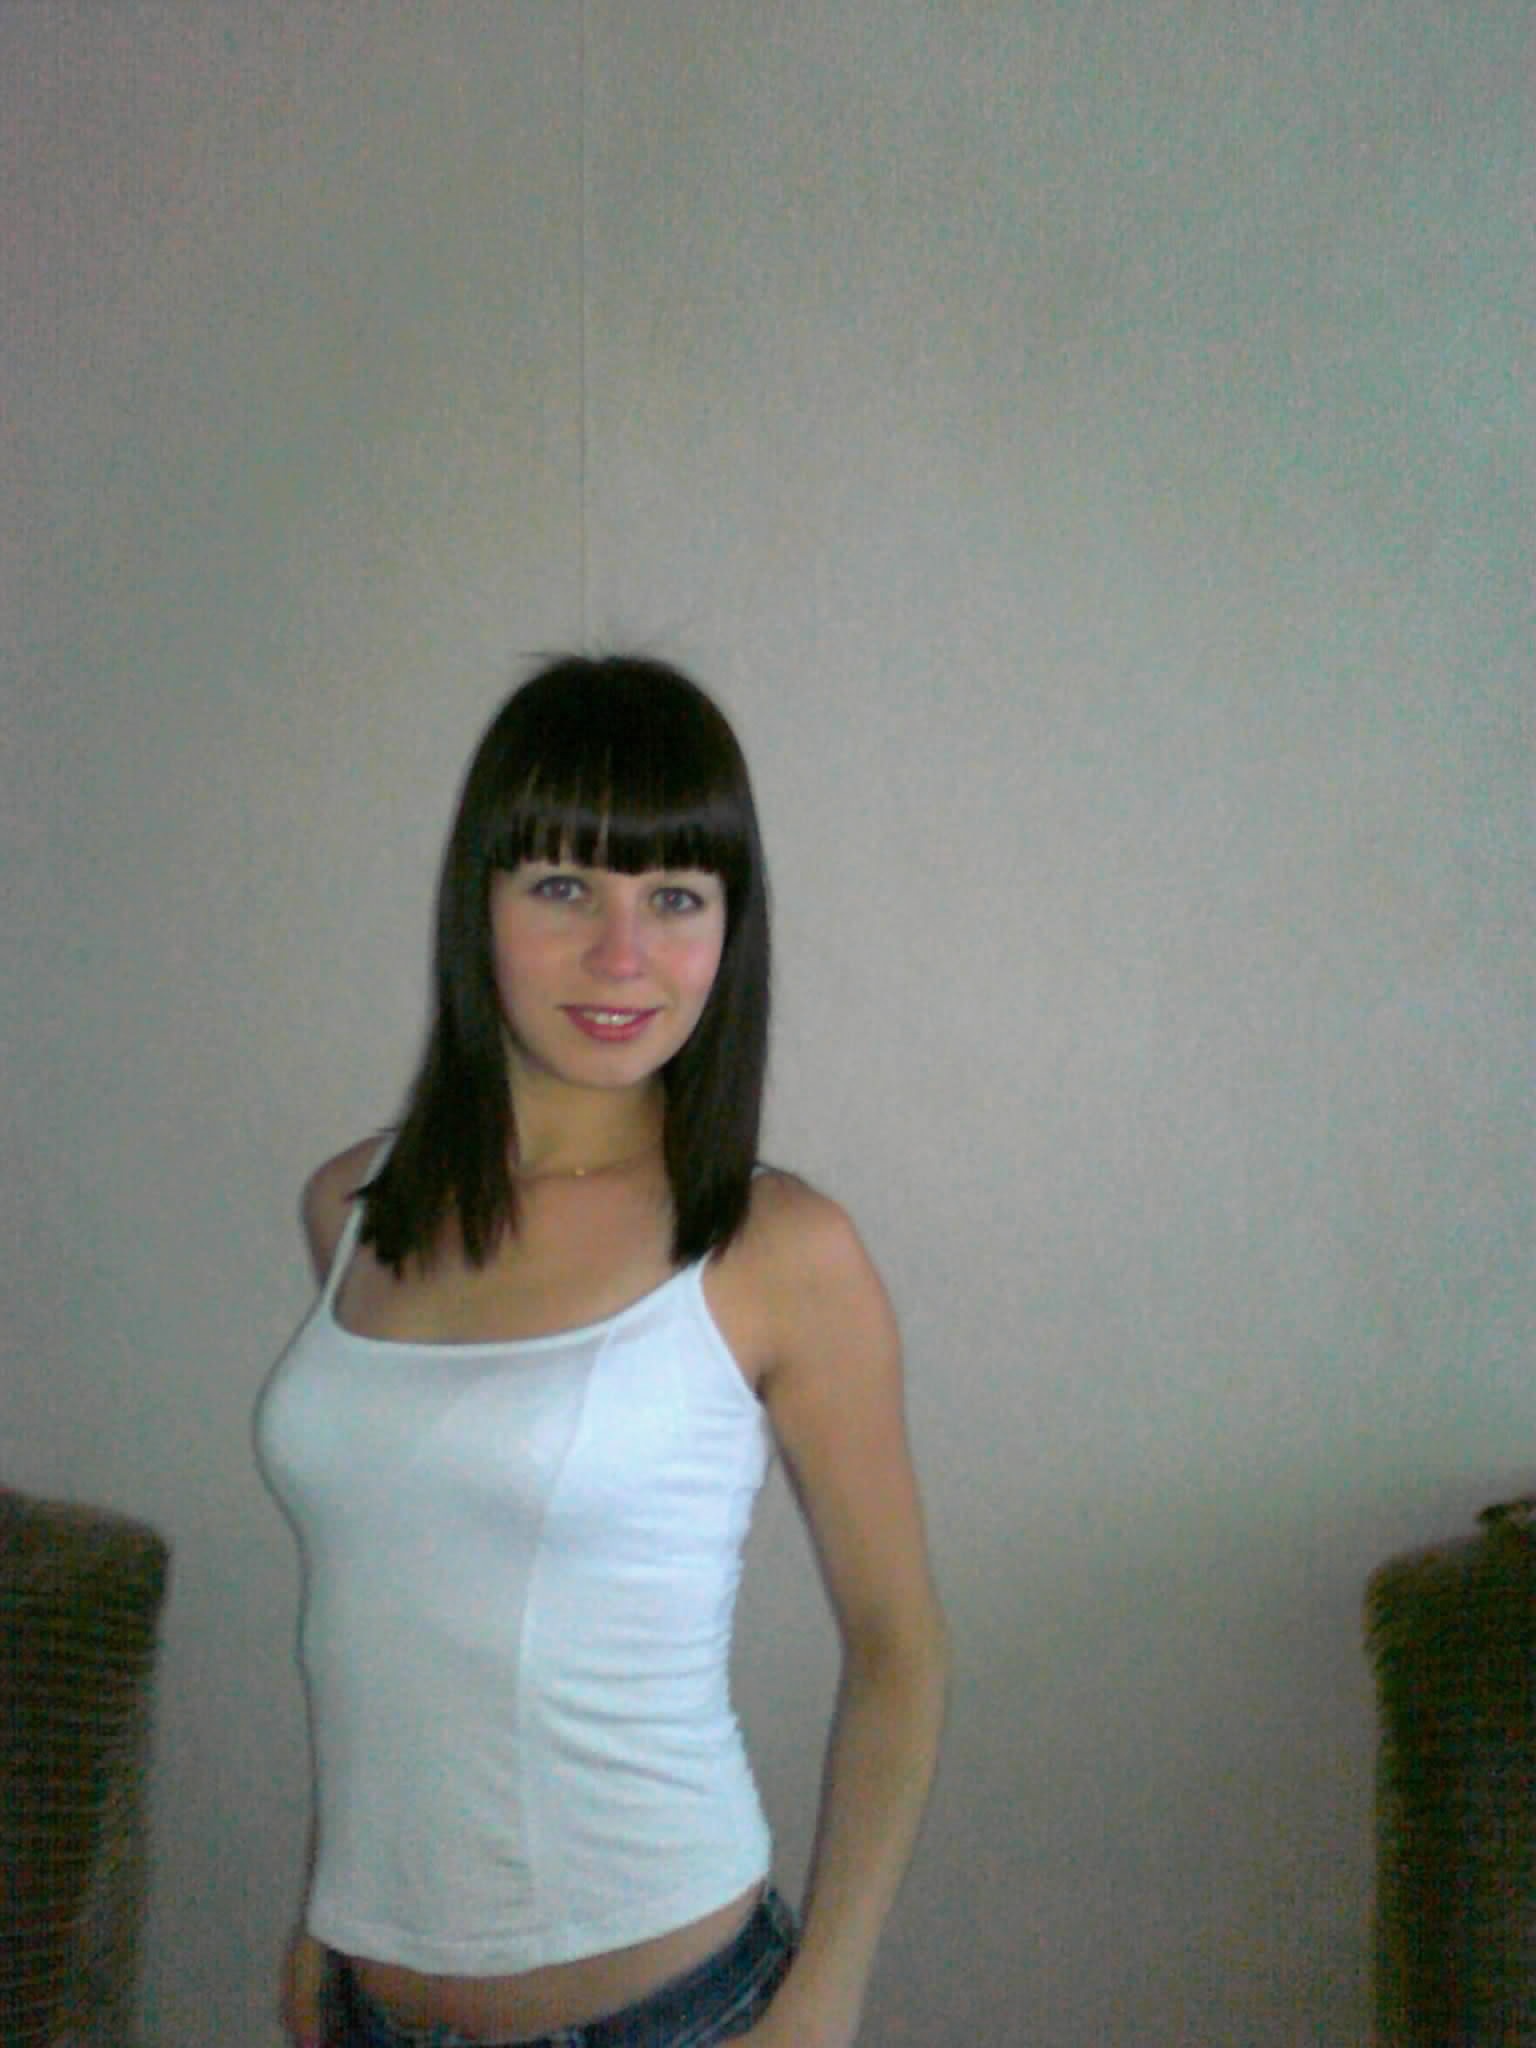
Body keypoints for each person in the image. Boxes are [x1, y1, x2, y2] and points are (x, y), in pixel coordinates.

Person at [257, 653, 948, 2048]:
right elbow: (389, 1609)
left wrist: (823, 2001)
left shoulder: (777, 1252)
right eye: (564, 887)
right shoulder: (352, 1208)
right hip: (365, 1998)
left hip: (675, 2012)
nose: (622, 956)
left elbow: (901, 1650)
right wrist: (325, 1916)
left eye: (674, 898)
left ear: (730, 928)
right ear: (480, 904)